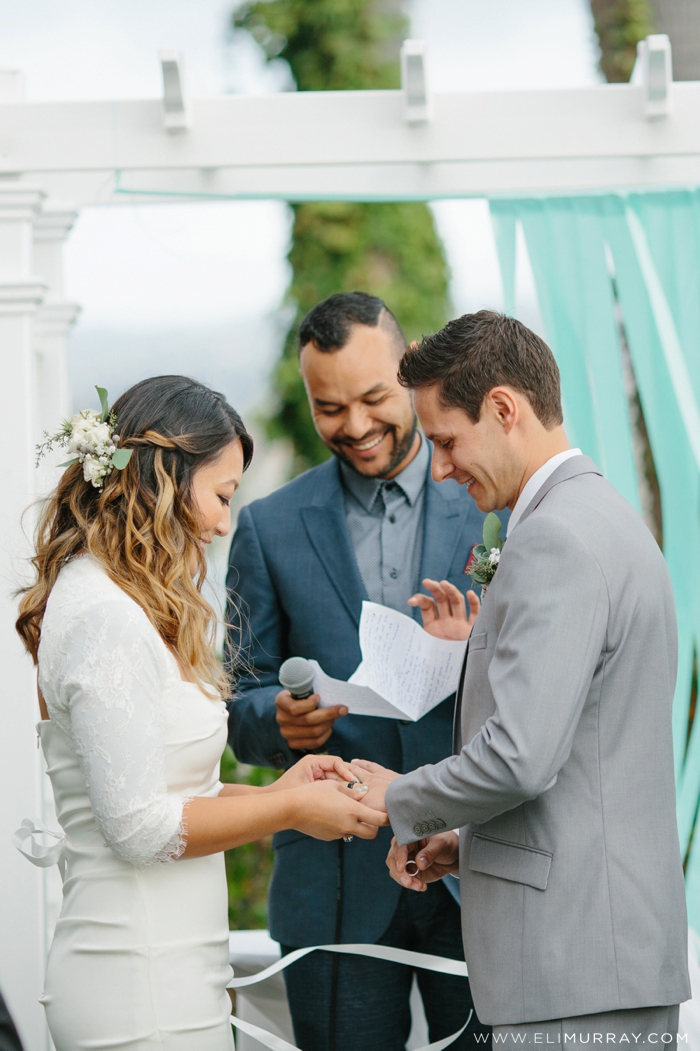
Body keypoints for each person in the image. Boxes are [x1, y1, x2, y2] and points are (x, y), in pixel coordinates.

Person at [349, 310, 691, 1047]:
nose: (439, 467)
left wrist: (399, 797)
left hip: (575, 970)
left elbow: (520, 755)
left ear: (504, 408)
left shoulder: (554, 539)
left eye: (445, 440)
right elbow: (587, 765)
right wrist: (468, 844)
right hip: (602, 959)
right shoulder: (604, 517)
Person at [15, 375, 387, 1051]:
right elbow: (139, 828)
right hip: (134, 985)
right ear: (162, 481)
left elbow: (179, 797)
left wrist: (283, 787)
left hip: (172, 976)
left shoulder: (119, 603)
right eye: (220, 496)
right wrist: (289, 812)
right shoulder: (104, 617)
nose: (223, 522)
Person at [227, 293, 497, 1051]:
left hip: (474, 865)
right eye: (328, 407)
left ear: (409, 370)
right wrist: (276, 719)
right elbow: (234, 701)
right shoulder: (268, 525)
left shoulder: (490, 507)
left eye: (374, 397)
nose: (354, 425)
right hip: (332, 882)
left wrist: (481, 650)